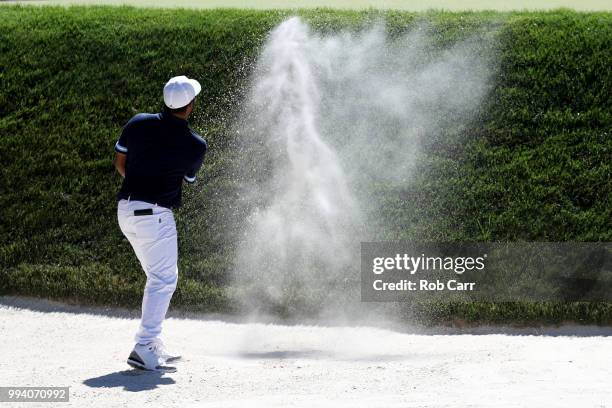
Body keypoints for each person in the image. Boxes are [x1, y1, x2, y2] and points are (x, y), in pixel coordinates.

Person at [113, 75, 207, 371]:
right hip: (154, 216)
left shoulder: (138, 122)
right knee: (164, 279)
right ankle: (144, 345)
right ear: (189, 106)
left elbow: (120, 161)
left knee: (158, 278)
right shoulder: (195, 145)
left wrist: (140, 185)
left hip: (126, 210)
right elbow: (184, 180)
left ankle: (151, 344)